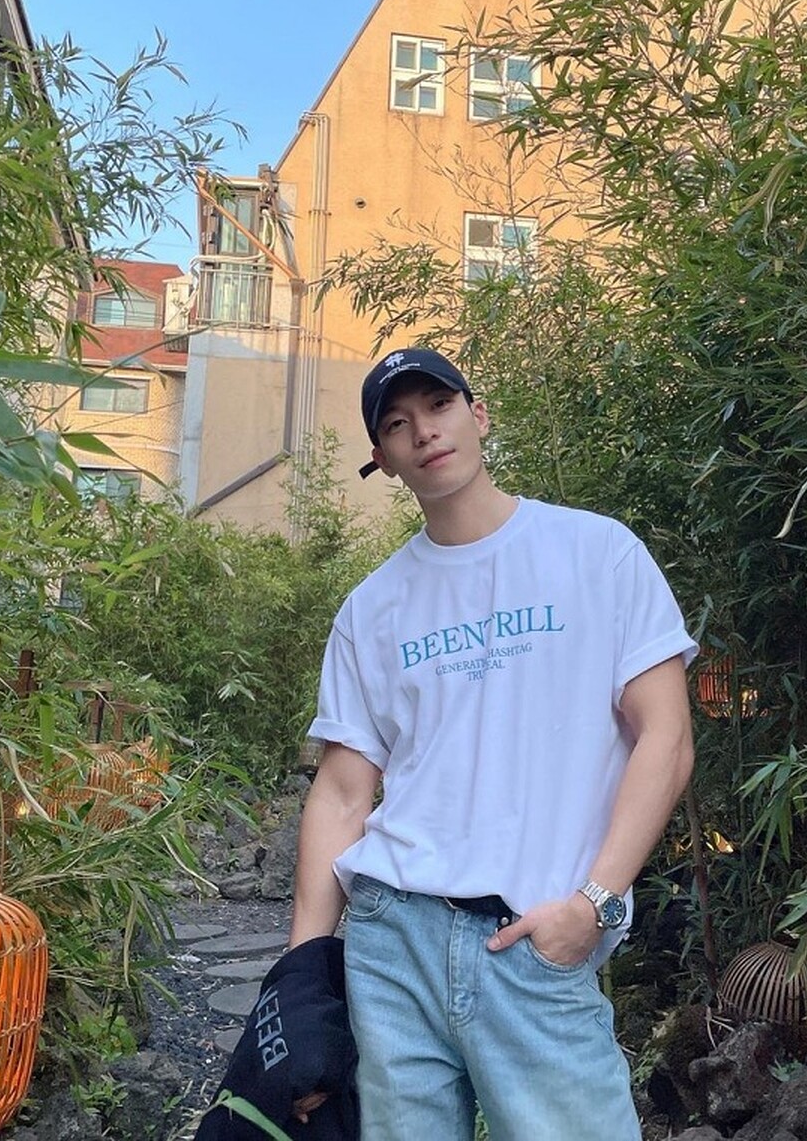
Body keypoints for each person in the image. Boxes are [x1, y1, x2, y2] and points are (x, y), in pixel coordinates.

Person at [289, 346, 697, 1140]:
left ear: (478, 414)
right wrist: (299, 986)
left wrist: (594, 903)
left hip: (532, 937)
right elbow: (341, 793)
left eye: (439, 405)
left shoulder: (597, 553)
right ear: (384, 458)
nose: (424, 431)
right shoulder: (371, 609)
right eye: (398, 423)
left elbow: (668, 736)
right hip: (393, 942)